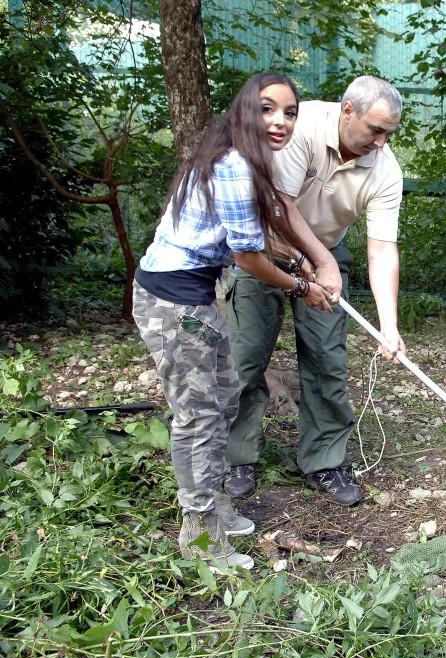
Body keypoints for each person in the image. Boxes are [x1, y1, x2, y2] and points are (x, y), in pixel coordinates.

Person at [133, 72, 339, 571]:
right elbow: (246, 258)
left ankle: (216, 506)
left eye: (290, 112)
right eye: (268, 108)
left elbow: (244, 238)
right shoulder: (233, 166)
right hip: (173, 301)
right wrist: (301, 287)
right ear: (245, 110)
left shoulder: (242, 161)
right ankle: (200, 535)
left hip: (196, 294)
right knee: (198, 417)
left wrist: (295, 258)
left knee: (225, 395)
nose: (280, 121)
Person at [224, 75, 406, 506]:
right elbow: (279, 209)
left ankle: (325, 462)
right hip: (264, 246)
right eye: (375, 130)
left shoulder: (385, 169)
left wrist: (389, 325)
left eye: (389, 134)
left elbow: (382, 250)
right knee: (245, 355)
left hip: (326, 248)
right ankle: (237, 456)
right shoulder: (299, 125)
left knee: (327, 360)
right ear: (347, 111)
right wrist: (312, 266)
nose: (381, 142)